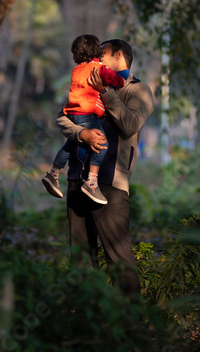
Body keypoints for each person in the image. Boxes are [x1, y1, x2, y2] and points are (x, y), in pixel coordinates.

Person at [56, 39, 154, 296]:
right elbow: (62, 118)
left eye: (102, 54)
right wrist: (82, 134)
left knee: (118, 257)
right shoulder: (88, 77)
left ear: (120, 55)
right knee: (81, 257)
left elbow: (131, 124)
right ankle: (85, 320)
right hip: (78, 178)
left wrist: (106, 92)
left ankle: (131, 322)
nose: (96, 59)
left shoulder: (138, 90)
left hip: (110, 183)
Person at [42, 35, 125, 205]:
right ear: (97, 52)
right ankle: (92, 182)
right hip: (86, 114)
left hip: (72, 113)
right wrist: (115, 79)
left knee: (70, 144)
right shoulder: (98, 69)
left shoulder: (77, 70)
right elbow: (119, 81)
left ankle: (54, 173)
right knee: (102, 144)